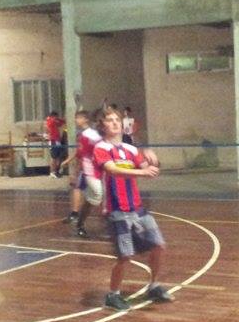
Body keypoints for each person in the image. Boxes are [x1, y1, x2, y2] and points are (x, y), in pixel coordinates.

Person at [93, 106, 172, 311]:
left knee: (158, 246)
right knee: (125, 256)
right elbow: (113, 170)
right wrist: (142, 173)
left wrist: (153, 161)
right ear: (102, 126)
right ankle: (113, 295)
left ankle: (154, 286)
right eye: (109, 120)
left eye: (117, 120)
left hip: (137, 208)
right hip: (117, 210)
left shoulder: (131, 150)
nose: (115, 123)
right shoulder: (101, 148)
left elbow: (148, 168)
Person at [60, 109, 103, 238]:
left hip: (97, 168)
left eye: (78, 118)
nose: (75, 120)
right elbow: (80, 153)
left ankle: (79, 216)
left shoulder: (92, 135)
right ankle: (77, 215)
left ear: (85, 119)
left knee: (95, 195)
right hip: (89, 169)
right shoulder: (84, 135)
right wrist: (70, 163)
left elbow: (93, 151)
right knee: (86, 190)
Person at [45, 110, 66, 178]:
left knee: (58, 157)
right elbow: (55, 121)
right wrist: (57, 119)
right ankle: (52, 172)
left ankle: (56, 171)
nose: (57, 118)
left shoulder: (54, 122)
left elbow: (62, 122)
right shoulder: (50, 121)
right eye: (56, 117)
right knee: (53, 157)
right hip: (53, 140)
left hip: (57, 140)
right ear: (53, 116)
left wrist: (61, 119)